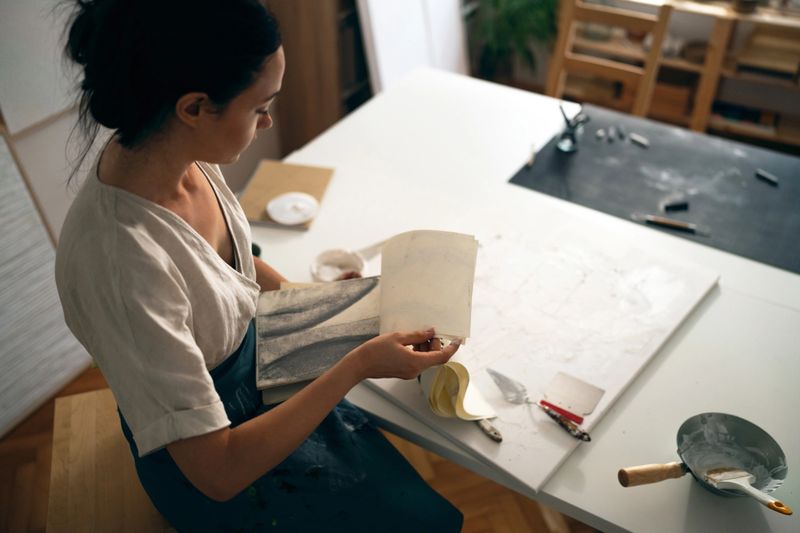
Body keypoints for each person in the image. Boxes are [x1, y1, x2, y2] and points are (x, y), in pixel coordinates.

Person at [54, 1, 464, 531]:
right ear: (195, 107)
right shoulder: (122, 264)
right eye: (260, 107)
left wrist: (314, 303)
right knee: (421, 522)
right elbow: (218, 471)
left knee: (419, 509)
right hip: (214, 459)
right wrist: (356, 363)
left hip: (256, 369)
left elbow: (229, 269)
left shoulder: (177, 156)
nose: (269, 121)